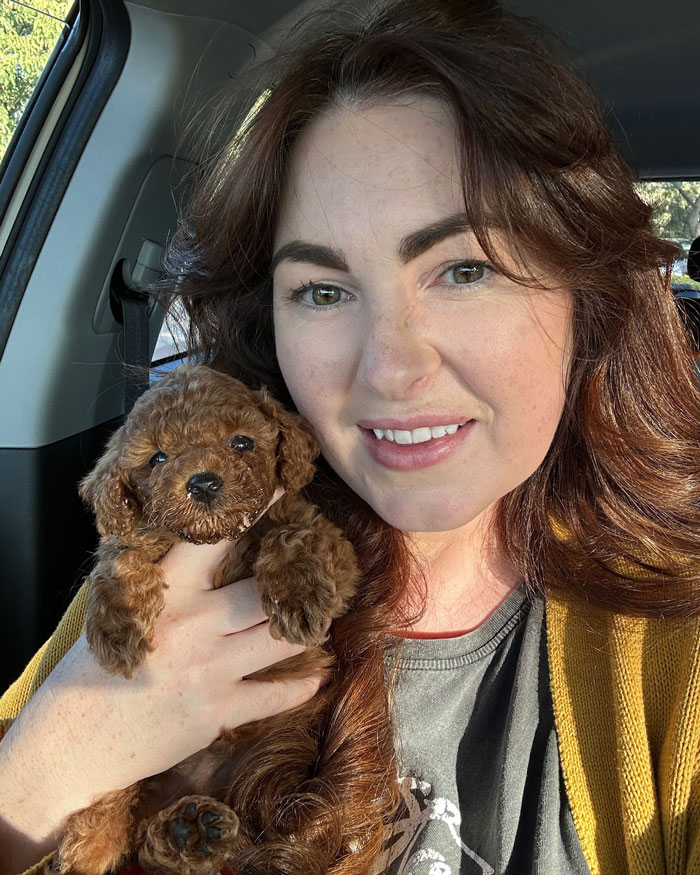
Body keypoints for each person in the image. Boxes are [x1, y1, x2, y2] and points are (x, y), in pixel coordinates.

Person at [2, 0, 700, 872]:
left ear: (585, 299)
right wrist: (40, 769)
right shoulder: (191, 561)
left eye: (464, 269)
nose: (390, 369)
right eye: (323, 291)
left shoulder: (679, 639)